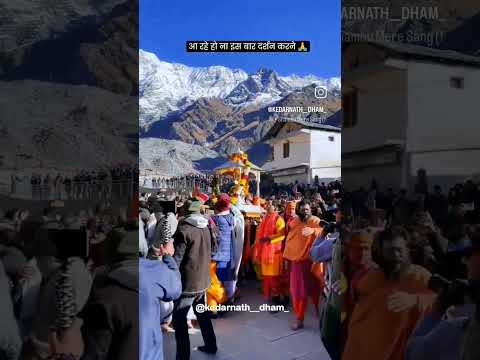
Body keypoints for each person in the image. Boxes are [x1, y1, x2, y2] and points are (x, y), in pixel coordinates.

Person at [342, 226, 435, 360]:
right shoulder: (370, 279)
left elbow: (442, 305)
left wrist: (415, 300)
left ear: (407, 250)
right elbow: (359, 321)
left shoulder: (421, 277)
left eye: (399, 250)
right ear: (381, 253)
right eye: (390, 251)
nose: (396, 256)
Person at [406, 233, 480, 360]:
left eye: (469, 256)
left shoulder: (455, 330)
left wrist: (438, 308)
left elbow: (414, 353)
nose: (464, 260)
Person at [172, 199, 217, 360]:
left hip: (188, 284)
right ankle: (211, 345)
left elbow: (176, 260)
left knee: (179, 320)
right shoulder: (206, 226)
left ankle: (182, 357)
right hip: (203, 281)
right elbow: (213, 250)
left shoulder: (183, 229)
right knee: (202, 314)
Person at [283, 200, 323, 330]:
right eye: (302, 209)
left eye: (307, 209)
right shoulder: (294, 222)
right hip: (297, 263)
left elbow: (325, 231)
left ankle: (320, 312)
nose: (305, 211)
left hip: (312, 262)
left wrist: (313, 231)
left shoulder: (315, 221)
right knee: (297, 292)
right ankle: (299, 319)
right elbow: (290, 239)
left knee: (316, 289)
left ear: (310, 210)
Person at [254, 200, 286, 308]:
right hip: (265, 252)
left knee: (274, 277)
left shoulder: (279, 219)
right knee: (266, 277)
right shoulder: (265, 218)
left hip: (274, 253)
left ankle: (277, 297)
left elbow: (282, 235)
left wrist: (269, 239)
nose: (268, 206)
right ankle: (271, 296)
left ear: (275, 208)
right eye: (267, 205)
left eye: (271, 205)